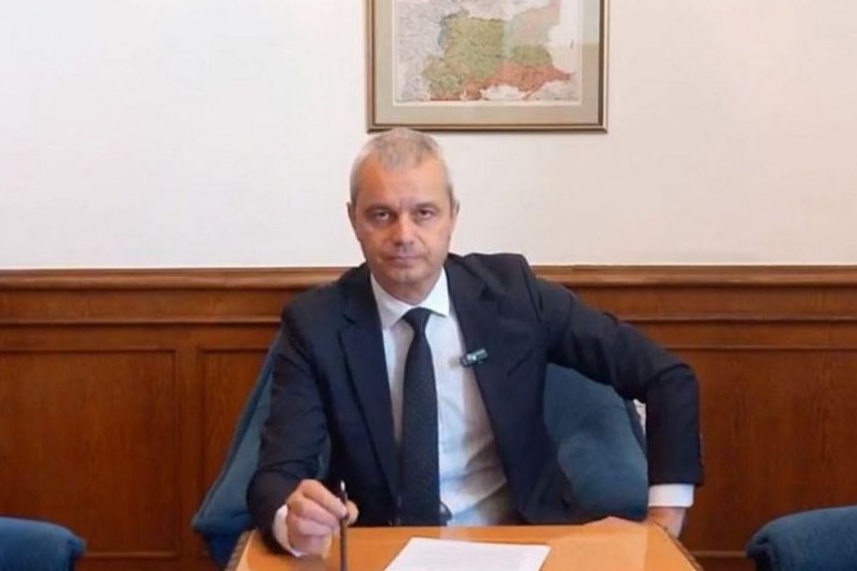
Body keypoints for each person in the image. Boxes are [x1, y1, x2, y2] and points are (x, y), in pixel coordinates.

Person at [248, 128, 703, 556]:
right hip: (382, 551)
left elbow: (667, 376)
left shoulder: (515, 296)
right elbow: (276, 474)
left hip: (522, 544)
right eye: (381, 214)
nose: (403, 235)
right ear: (353, 220)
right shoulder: (317, 324)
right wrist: (293, 521)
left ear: (453, 216)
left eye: (424, 213)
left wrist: (662, 522)